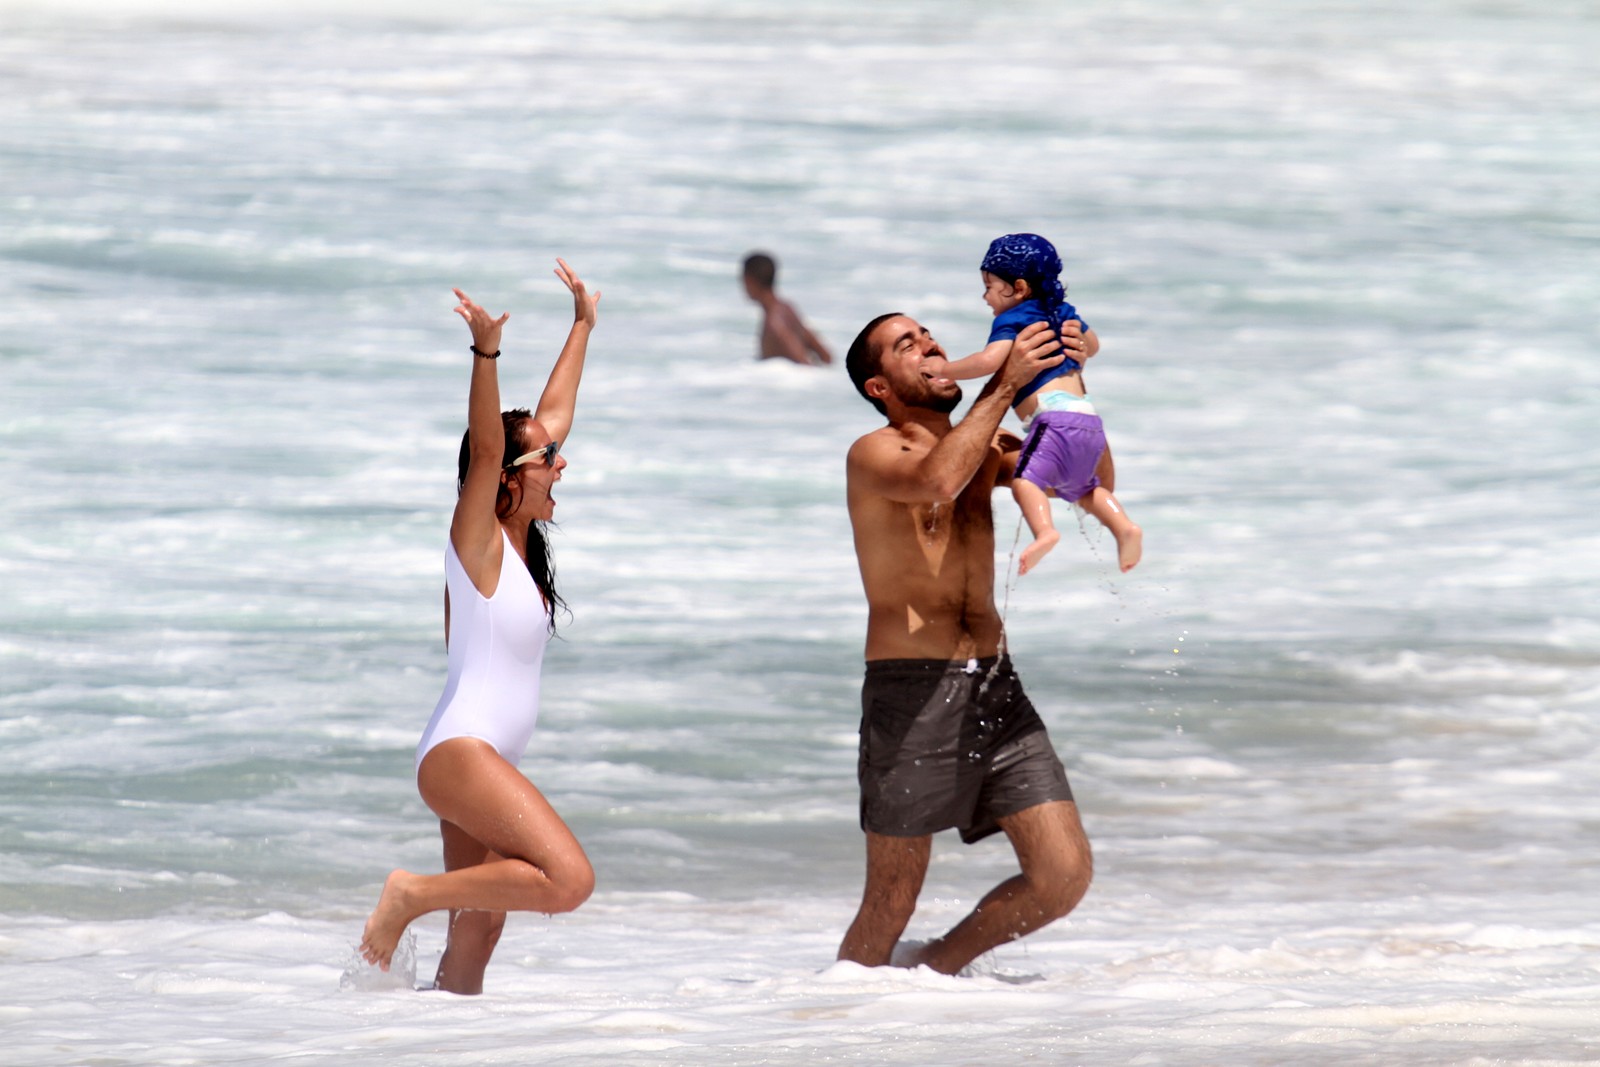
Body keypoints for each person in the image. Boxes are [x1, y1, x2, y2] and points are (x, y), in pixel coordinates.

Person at [359, 262, 600, 994]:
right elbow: (493, 446)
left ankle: (438, 1033)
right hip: (462, 752)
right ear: (504, 479)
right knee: (566, 879)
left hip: (475, 750)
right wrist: (486, 353)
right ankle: (409, 894)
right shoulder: (480, 541)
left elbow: (548, 418)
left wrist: (583, 324)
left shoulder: (521, 545)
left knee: (482, 921)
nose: (561, 462)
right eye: (548, 460)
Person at [837, 311, 1094, 976]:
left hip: (995, 682)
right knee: (890, 900)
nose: (928, 343)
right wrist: (1002, 385)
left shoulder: (988, 443)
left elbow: (1088, 478)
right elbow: (936, 480)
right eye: (905, 344)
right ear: (878, 387)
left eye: (928, 334)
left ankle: (936, 968)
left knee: (1062, 874)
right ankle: (836, 1020)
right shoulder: (874, 452)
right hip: (912, 688)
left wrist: (1066, 378)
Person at [925, 233, 1141, 574]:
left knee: (1026, 482)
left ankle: (1045, 532)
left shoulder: (1013, 319)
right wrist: (1081, 348)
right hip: (1088, 419)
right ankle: (1125, 527)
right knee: (1087, 489)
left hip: (1051, 419)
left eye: (990, 286)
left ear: (1019, 288)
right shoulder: (1062, 312)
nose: (985, 296)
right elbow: (1094, 345)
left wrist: (944, 369)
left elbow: (988, 361)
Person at [742, 251, 833, 365]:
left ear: (748, 280)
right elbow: (826, 356)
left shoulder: (773, 324)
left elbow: (804, 365)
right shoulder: (787, 309)